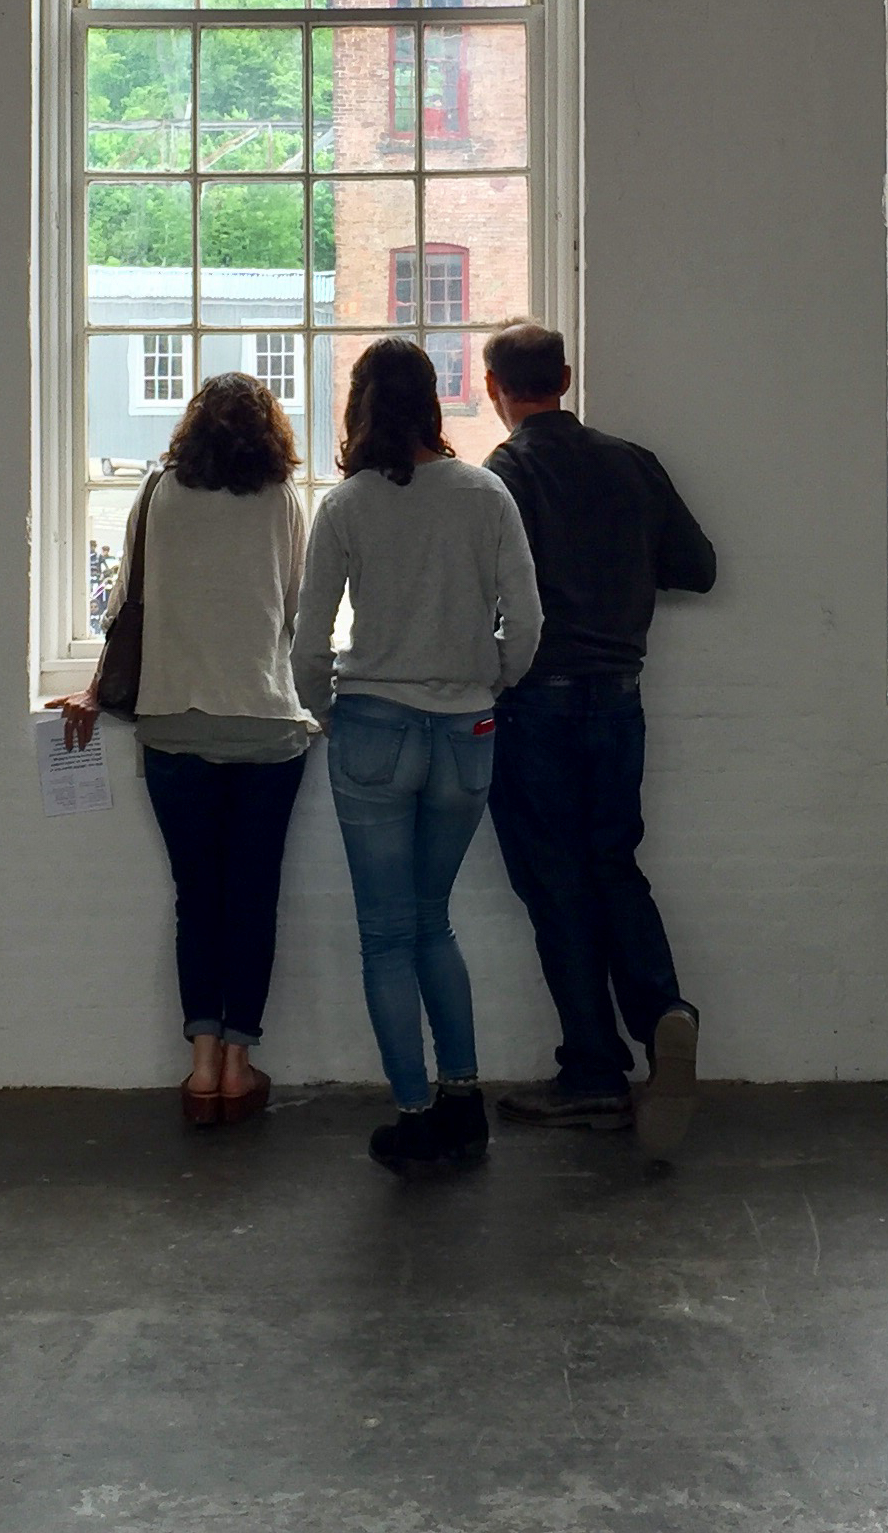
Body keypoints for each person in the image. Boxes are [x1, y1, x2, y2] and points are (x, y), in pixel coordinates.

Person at [295, 338, 541, 1178]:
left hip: (374, 727)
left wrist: (329, 710)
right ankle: (464, 1103)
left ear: (362, 404)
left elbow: (308, 642)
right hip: (467, 731)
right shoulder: (485, 493)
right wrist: (489, 683)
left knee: (385, 935)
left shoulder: (348, 505)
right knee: (433, 919)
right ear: (433, 401)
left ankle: (413, 1114)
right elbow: (527, 624)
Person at [476, 323, 717, 1157]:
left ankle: (591, 1074)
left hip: (533, 704)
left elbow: (483, 595)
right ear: (567, 377)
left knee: (556, 884)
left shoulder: (504, 475)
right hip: (619, 697)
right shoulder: (631, 463)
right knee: (614, 864)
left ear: (493, 387)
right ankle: (663, 1012)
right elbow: (697, 568)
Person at [49, 373, 313, 1126]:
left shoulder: (158, 492)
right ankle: (238, 1066)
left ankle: (199, 1070)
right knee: (252, 899)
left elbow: (125, 603)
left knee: (197, 899)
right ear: (270, 433)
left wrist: (95, 689)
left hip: (174, 725)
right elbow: (295, 608)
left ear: (192, 427)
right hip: (265, 724)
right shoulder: (283, 500)